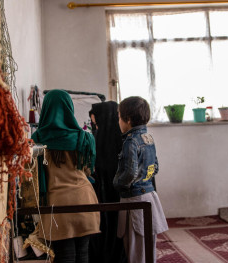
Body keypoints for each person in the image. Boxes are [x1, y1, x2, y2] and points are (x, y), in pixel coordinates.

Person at [31, 89, 100, 263]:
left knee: (64, 257)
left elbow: (36, 173)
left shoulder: (37, 138)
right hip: (84, 200)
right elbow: (87, 169)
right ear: (69, 108)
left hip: (57, 203)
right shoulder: (84, 137)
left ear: (45, 109)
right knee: (83, 254)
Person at [114, 96, 168, 263]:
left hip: (134, 199)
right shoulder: (148, 138)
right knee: (147, 248)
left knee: (135, 251)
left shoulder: (130, 142)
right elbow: (155, 167)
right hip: (149, 196)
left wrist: (117, 182)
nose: (118, 121)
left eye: (118, 117)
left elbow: (130, 173)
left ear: (128, 119)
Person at [88, 101, 127, 263]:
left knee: (105, 226)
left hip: (101, 194)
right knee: (117, 227)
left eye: (94, 117)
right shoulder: (123, 138)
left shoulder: (96, 138)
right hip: (119, 193)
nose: (92, 120)